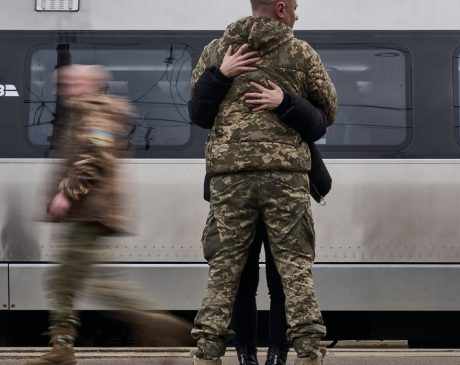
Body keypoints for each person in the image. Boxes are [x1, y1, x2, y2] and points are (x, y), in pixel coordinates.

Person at [190, 0, 337, 364]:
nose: (298, 14)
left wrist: (220, 76)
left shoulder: (216, 49)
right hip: (284, 179)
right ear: (282, 8)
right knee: (294, 267)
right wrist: (288, 100)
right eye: (297, 7)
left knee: (225, 271)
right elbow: (324, 117)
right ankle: (308, 351)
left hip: (229, 180)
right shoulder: (300, 52)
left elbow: (197, 113)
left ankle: (207, 353)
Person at [27, 65, 189, 365]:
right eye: (63, 82)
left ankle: (157, 324)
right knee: (74, 280)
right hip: (86, 213)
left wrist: (67, 194)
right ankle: (62, 346)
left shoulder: (96, 113)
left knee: (77, 282)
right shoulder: (83, 112)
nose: (65, 87)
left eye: (73, 81)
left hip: (89, 212)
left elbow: (95, 157)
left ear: (92, 84)